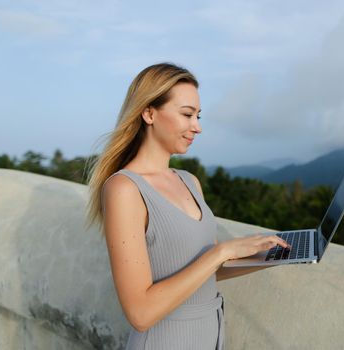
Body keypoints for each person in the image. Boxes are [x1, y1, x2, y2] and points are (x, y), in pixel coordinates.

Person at [86, 63, 289, 349]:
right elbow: (140, 313)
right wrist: (223, 250)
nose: (198, 126)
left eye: (198, 115)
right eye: (187, 114)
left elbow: (209, 270)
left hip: (208, 336)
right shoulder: (124, 190)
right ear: (149, 113)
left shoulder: (189, 181)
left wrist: (274, 256)